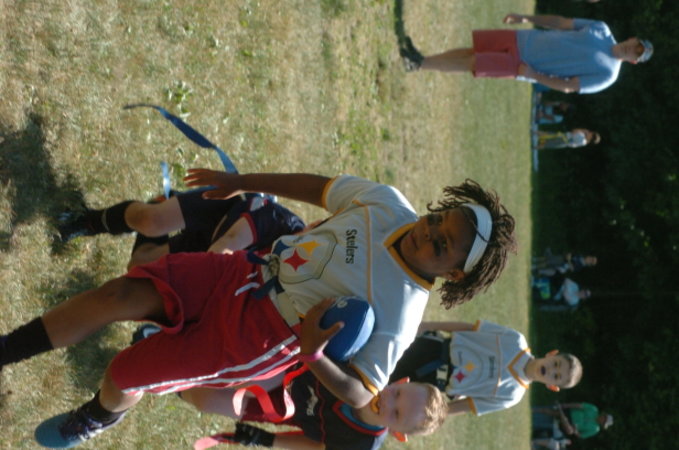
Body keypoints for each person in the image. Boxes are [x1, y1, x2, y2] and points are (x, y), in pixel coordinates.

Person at [0, 170, 517, 448]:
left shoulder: (404, 311)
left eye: (443, 245)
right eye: (439, 219)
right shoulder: (387, 204)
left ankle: (95, 417)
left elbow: (363, 392)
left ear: (454, 274)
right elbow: (318, 188)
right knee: (117, 296)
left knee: (123, 373)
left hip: (259, 339)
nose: (430, 232)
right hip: (244, 273)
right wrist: (244, 180)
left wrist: (314, 355)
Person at [179, 365, 448, 449]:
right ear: (400, 381)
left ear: (397, 433)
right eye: (397, 393)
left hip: (282, 410)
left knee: (205, 400)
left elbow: (317, 446)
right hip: (287, 370)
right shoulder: (367, 368)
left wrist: (266, 439)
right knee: (233, 378)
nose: (388, 401)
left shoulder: (361, 444)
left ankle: (173, 385)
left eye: (396, 413)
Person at [399, 13, 653, 94]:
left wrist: (533, 75)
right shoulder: (601, 28)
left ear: (633, 61)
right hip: (524, 38)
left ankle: (417, 65)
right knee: (472, 51)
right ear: (633, 38)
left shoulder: (608, 75)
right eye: (636, 44)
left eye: (636, 53)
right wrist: (526, 18)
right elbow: (561, 22)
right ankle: (421, 58)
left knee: (474, 62)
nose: (632, 49)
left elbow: (569, 86)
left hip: (523, 63)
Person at [57, 190, 306, 269]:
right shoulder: (283, 225)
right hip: (229, 215)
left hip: (218, 254)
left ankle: (163, 201)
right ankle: (88, 220)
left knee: (140, 266)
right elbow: (226, 243)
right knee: (151, 220)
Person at [388, 320, 582, 416]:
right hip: (432, 349)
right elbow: (470, 328)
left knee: (384, 385)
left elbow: (466, 405)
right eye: (556, 364)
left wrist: (430, 415)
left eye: (556, 376)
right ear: (551, 354)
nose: (552, 370)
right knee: (383, 346)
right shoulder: (515, 340)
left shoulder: (512, 395)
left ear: (552, 386)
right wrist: (427, 325)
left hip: (431, 383)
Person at [533, 402, 614, 439]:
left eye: (604, 422)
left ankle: (561, 413)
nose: (602, 421)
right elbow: (578, 405)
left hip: (570, 426)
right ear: (603, 416)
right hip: (570, 414)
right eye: (604, 419)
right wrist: (565, 405)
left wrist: (576, 431)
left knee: (570, 431)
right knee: (554, 412)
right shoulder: (594, 409)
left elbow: (581, 436)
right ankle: (534, 410)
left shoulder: (595, 429)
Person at [532, 250, 598, 277]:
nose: (590, 258)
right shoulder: (580, 256)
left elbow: (572, 269)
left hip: (563, 266)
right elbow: (572, 254)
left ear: (589, 264)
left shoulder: (581, 266)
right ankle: (535, 259)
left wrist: (569, 261)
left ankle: (534, 266)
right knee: (548, 258)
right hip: (563, 258)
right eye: (591, 257)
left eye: (591, 261)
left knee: (548, 262)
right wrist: (569, 255)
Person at [536, 128, 601, 150]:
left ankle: (533, 132)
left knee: (547, 135)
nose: (590, 132)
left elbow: (573, 131)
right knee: (547, 144)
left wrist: (583, 130)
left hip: (562, 138)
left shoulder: (582, 137)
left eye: (591, 133)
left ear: (591, 136)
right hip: (564, 144)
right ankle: (534, 147)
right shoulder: (584, 143)